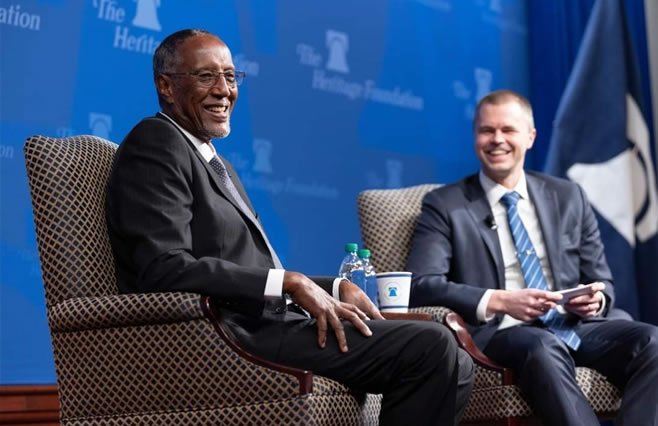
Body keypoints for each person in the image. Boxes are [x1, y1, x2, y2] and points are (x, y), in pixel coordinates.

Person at [106, 28, 473, 426]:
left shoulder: (213, 160)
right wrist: (289, 282)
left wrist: (335, 287)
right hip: (229, 333)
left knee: (458, 360)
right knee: (431, 345)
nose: (224, 90)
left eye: (230, 76)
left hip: (270, 321)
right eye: (206, 76)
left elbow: (243, 264)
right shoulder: (157, 142)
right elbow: (164, 267)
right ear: (166, 86)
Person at [406, 89, 658, 426]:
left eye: (508, 130)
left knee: (653, 342)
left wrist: (594, 301)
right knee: (542, 346)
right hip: (503, 332)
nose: (497, 139)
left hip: (573, 325)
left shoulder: (568, 196)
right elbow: (421, 285)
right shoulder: (445, 205)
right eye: (487, 130)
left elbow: (602, 280)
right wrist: (501, 300)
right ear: (475, 137)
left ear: (530, 136)